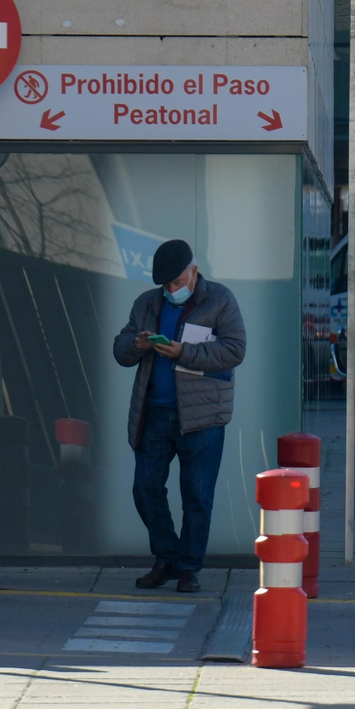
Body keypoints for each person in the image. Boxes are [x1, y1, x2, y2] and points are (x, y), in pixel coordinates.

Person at [113, 239, 246, 593]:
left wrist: (184, 352)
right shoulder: (146, 303)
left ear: (194, 271)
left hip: (202, 417)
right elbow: (121, 349)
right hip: (154, 413)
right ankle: (167, 557)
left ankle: (189, 567)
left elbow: (234, 350)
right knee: (145, 489)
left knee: (197, 494)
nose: (172, 290)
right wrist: (137, 345)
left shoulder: (220, 299)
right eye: (166, 284)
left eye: (177, 281)